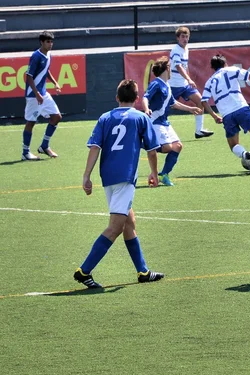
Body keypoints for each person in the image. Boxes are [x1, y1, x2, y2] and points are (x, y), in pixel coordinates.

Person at [74, 79, 164, 289]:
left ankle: (143, 271)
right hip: (125, 178)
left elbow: (94, 147)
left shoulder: (105, 118)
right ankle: (84, 271)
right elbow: (151, 150)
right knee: (115, 228)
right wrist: (154, 173)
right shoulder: (141, 117)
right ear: (137, 99)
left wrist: (86, 176)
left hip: (108, 177)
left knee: (129, 223)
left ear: (117, 98)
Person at [142, 56, 203, 187]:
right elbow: (145, 97)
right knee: (167, 147)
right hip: (155, 121)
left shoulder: (167, 86)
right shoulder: (156, 83)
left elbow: (174, 104)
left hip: (164, 121)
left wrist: (191, 109)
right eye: (170, 67)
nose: (171, 70)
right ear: (167, 68)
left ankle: (164, 174)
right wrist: (146, 108)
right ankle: (143, 143)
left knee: (177, 146)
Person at [200, 54, 250, 174]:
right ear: (225, 63)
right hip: (241, 108)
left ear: (212, 68)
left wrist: (214, 116)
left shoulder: (210, 81)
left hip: (227, 115)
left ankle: (245, 154)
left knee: (233, 145)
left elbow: (204, 101)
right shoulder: (232, 69)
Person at [22, 31, 62, 161]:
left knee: (56, 117)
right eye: (47, 42)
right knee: (31, 122)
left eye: (51, 41)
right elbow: (29, 76)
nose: (50, 44)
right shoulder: (36, 56)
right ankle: (25, 152)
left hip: (44, 93)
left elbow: (46, 70)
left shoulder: (49, 54)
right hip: (34, 96)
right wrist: (37, 93)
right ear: (42, 42)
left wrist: (55, 82)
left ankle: (44, 146)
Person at [168, 26, 214, 139]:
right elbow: (178, 66)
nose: (185, 39)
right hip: (173, 85)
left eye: (187, 36)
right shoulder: (175, 50)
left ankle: (199, 130)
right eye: (182, 37)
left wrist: (187, 80)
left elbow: (185, 66)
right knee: (163, 108)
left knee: (200, 101)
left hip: (184, 85)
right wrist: (189, 79)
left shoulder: (186, 49)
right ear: (178, 38)